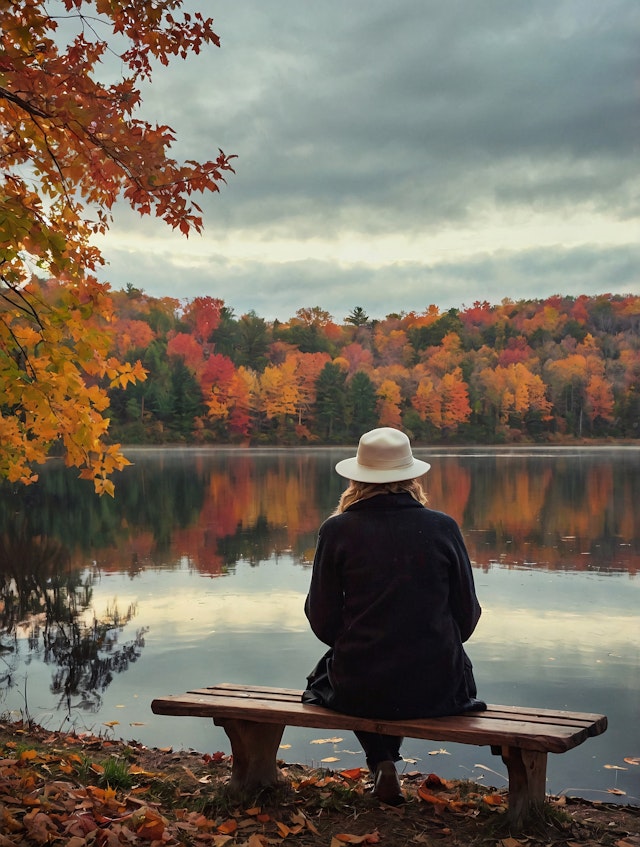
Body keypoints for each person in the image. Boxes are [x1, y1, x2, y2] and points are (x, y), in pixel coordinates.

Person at [302, 427, 485, 805]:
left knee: (344, 670)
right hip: (437, 685)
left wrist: (359, 639)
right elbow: (468, 614)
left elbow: (320, 618)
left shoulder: (337, 530)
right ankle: (384, 760)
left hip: (361, 684)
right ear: (412, 477)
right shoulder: (443, 527)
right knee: (401, 663)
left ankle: (381, 761)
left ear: (356, 477)